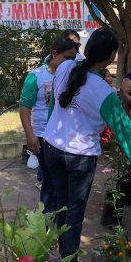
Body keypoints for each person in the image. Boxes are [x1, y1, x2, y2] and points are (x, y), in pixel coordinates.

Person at [43, 28, 131, 262]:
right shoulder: (104, 93)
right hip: (79, 157)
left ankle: (63, 260)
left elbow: (53, 106)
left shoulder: (65, 67)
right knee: (73, 213)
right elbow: (127, 134)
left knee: (61, 207)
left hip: (53, 148)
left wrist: (51, 131)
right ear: (112, 55)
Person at [19, 36, 78, 212]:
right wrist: (30, 135)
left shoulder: (73, 77)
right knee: (50, 180)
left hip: (66, 136)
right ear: (54, 53)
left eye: (73, 59)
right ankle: (47, 220)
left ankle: (59, 219)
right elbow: (24, 107)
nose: (70, 63)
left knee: (64, 182)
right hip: (43, 136)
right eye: (67, 58)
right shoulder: (36, 76)